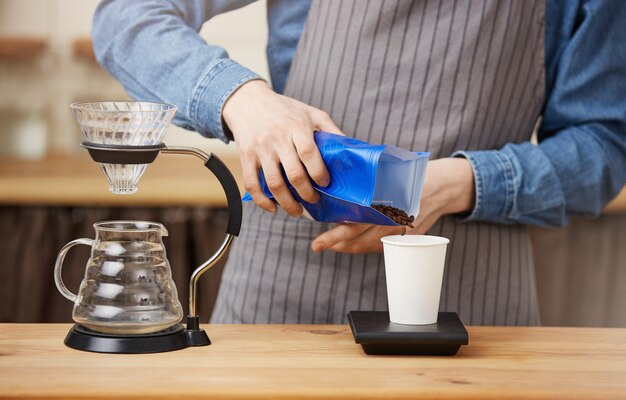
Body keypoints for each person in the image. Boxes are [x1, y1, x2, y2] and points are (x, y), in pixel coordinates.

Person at [92, 0, 626, 326]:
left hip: (474, 300)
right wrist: (241, 98)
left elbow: (604, 143)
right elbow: (126, 15)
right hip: (287, 290)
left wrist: (453, 185)